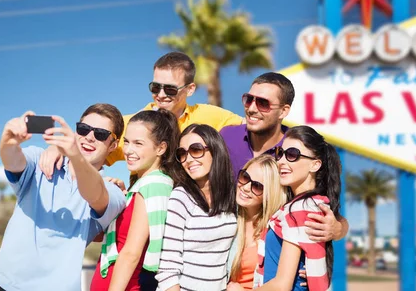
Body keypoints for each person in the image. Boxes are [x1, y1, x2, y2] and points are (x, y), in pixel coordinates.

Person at [0, 104, 127, 291]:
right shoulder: (39, 158)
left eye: (101, 134)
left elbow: (96, 195)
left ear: (113, 145)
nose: (89, 137)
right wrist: (8, 141)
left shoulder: (113, 191)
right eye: (84, 129)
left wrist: (74, 156)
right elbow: (13, 160)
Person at [38, 51, 243, 176]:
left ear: (190, 89)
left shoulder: (212, 116)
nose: (161, 95)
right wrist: (59, 149)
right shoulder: (131, 124)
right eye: (155, 87)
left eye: (170, 89)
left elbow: (255, 126)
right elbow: (88, 141)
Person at [220, 72, 348, 243]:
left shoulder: (299, 152)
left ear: (283, 111)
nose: (251, 108)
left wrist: (337, 229)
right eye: (249, 99)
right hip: (229, 248)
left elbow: (334, 215)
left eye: (263, 103)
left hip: (277, 253)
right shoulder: (227, 137)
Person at [234, 125, 343, 291]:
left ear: (315, 165)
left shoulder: (300, 209)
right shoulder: (309, 204)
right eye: (280, 153)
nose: (281, 161)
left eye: (292, 155)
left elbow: (282, 285)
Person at [89, 109, 180, 291]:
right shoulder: (143, 185)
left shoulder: (153, 185)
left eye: (138, 143)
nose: (129, 151)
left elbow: (131, 253)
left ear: (161, 148)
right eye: (127, 142)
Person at [156, 124, 238, 291]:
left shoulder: (231, 195)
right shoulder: (181, 197)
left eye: (196, 150)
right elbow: (168, 266)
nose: (189, 159)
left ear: (215, 150)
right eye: (182, 153)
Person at [226, 155, 288, 290]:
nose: (246, 187)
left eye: (257, 186)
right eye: (245, 177)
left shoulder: (276, 231)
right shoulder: (226, 218)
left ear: (269, 194)